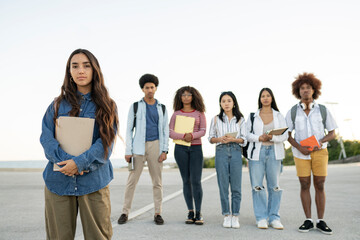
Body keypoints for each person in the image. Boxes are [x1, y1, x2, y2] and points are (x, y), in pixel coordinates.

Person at [40, 49, 118, 239]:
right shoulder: (57, 105)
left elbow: (105, 143)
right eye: (75, 66)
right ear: (69, 72)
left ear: (94, 70)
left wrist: (79, 163)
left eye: (86, 65)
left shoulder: (107, 105)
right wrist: (67, 163)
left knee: (99, 236)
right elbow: (46, 138)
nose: (80, 70)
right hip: (58, 183)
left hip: (94, 182)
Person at [286, 73, 337, 235]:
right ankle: (308, 220)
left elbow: (332, 133)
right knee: (304, 184)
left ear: (314, 90)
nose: (306, 90)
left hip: (320, 152)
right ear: (298, 91)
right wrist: (299, 147)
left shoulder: (322, 110)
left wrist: (320, 142)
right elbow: (287, 134)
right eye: (302, 88)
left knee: (320, 184)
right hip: (301, 154)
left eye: (309, 88)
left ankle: (321, 221)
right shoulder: (293, 112)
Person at [118, 74, 169, 225]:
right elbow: (128, 130)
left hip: (156, 146)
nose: (150, 90)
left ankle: (158, 213)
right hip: (138, 148)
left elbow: (165, 130)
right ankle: (125, 212)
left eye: (152, 87)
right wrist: (128, 151)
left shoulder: (162, 108)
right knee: (131, 181)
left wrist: (164, 150)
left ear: (156, 88)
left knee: (157, 182)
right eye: (147, 87)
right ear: (142, 89)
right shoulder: (135, 106)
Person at [246, 88, 288, 230]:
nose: (265, 98)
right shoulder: (253, 116)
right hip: (257, 153)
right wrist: (259, 137)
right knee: (257, 186)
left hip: (275, 153)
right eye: (263, 96)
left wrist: (272, 137)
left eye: (268, 95)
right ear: (260, 98)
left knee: (274, 186)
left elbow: (285, 135)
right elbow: (247, 135)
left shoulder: (279, 115)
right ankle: (261, 217)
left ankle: (274, 217)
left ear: (272, 98)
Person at [208, 91, 246, 229]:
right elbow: (210, 138)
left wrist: (233, 139)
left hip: (236, 151)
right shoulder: (215, 119)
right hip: (221, 151)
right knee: (223, 186)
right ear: (220, 103)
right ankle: (226, 215)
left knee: (236, 186)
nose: (226, 103)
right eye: (223, 101)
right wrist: (220, 139)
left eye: (229, 100)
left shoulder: (240, 119)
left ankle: (235, 215)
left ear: (233, 102)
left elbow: (244, 139)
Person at [169, 86, 206, 225]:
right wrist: (185, 136)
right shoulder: (176, 114)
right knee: (186, 180)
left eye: (188, 95)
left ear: (193, 96)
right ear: (179, 97)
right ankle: (190, 211)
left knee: (196, 180)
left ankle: (198, 212)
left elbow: (203, 130)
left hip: (196, 148)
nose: (186, 97)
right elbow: (170, 132)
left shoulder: (199, 113)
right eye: (183, 95)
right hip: (180, 149)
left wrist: (193, 136)